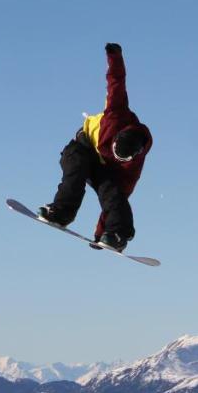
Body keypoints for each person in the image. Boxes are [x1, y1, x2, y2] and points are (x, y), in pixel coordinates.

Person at [39, 43, 153, 252]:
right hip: (82, 146)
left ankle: (117, 234)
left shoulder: (131, 168)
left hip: (103, 168)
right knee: (75, 169)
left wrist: (103, 234)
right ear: (118, 136)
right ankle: (62, 212)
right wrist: (115, 56)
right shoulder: (116, 113)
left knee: (113, 192)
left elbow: (117, 199)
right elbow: (116, 80)